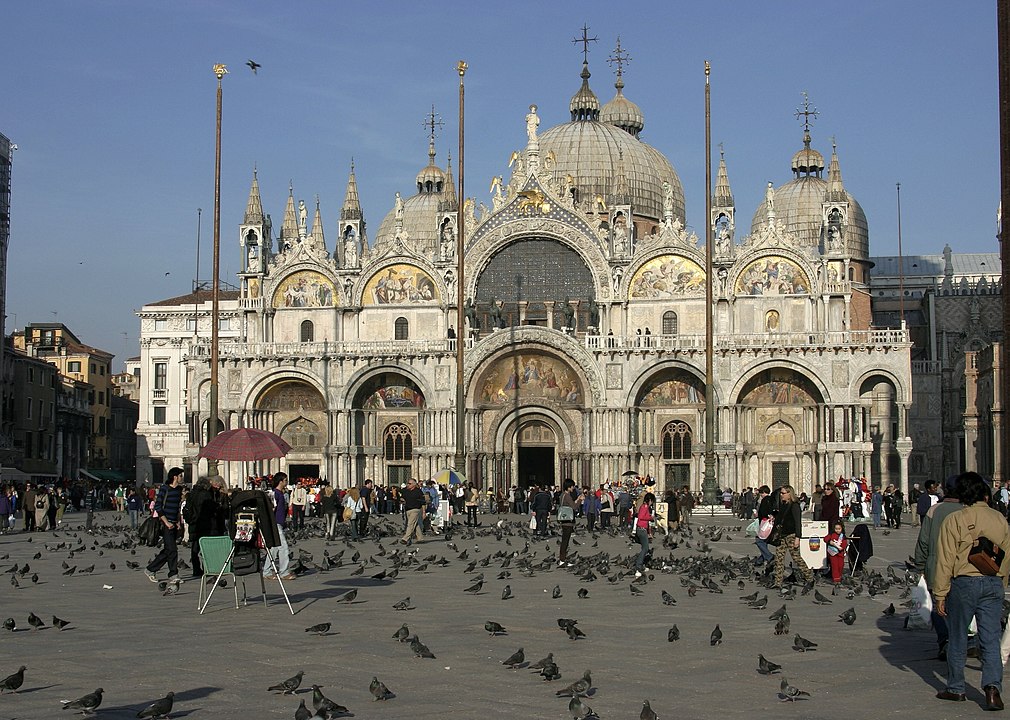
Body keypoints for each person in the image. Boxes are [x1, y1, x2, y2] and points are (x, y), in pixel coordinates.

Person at [933, 472, 1010, 710]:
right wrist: (1001, 583)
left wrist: (940, 593)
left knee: (957, 637)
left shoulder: (954, 520)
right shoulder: (999, 519)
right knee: (990, 639)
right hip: (993, 582)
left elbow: (945, 560)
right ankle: (993, 688)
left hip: (964, 583)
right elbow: (1006, 555)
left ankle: (956, 688)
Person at [915, 475, 965, 661]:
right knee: (960, 605)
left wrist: (920, 565)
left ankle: (945, 639)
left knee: (938, 604)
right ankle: (962, 640)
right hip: (961, 567)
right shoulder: (967, 510)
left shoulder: (934, 510)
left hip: (935, 565)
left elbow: (923, 540)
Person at [145, 467, 184, 585]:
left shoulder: (179, 490)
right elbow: (158, 506)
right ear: (175, 477)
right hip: (165, 523)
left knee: (168, 550)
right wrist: (166, 522)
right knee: (172, 550)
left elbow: (177, 507)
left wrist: (178, 522)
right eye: (180, 476)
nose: (182, 478)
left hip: (174, 523)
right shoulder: (164, 489)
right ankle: (173, 574)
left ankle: (150, 569)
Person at [771, 485, 814, 588]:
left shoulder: (795, 506)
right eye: (781, 493)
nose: (781, 495)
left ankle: (810, 577)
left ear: (789, 494)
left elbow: (798, 523)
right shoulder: (782, 505)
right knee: (779, 559)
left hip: (791, 535)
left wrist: (798, 538)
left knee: (796, 558)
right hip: (782, 535)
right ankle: (778, 582)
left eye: (783, 493)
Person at [186, 476, 227, 578]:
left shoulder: (191, 494)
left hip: (194, 523)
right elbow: (211, 508)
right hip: (205, 524)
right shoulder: (205, 494)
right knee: (206, 548)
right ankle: (207, 568)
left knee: (195, 548)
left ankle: (196, 569)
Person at [264, 473, 295, 581]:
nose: (287, 482)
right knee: (284, 548)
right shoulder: (275, 494)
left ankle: (267, 571)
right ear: (280, 481)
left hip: (279, 523)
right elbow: (271, 509)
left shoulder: (281, 493)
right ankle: (284, 572)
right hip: (275, 524)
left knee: (274, 549)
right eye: (285, 480)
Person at [634, 492, 656, 578]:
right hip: (641, 529)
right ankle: (638, 566)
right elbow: (641, 516)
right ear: (649, 500)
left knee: (644, 547)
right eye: (652, 501)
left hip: (642, 529)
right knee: (645, 548)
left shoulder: (645, 507)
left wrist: (649, 533)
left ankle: (641, 564)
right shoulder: (645, 507)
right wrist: (650, 517)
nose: (652, 503)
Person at [557, 480, 578, 566]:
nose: (573, 488)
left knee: (564, 540)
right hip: (568, 522)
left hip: (564, 520)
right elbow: (574, 507)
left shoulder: (562, 495)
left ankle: (562, 558)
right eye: (572, 486)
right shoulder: (568, 496)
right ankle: (562, 560)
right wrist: (580, 500)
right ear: (568, 487)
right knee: (565, 541)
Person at [400, 477, 426, 545]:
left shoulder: (418, 491)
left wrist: (424, 512)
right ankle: (420, 538)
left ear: (414, 484)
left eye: (410, 484)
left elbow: (423, 502)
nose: (408, 485)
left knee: (410, 524)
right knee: (415, 524)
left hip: (415, 509)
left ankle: (405, 538)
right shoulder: (406, 491)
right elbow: (402, 496)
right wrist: (402, 499)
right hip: (407, 510)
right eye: (408, 483)